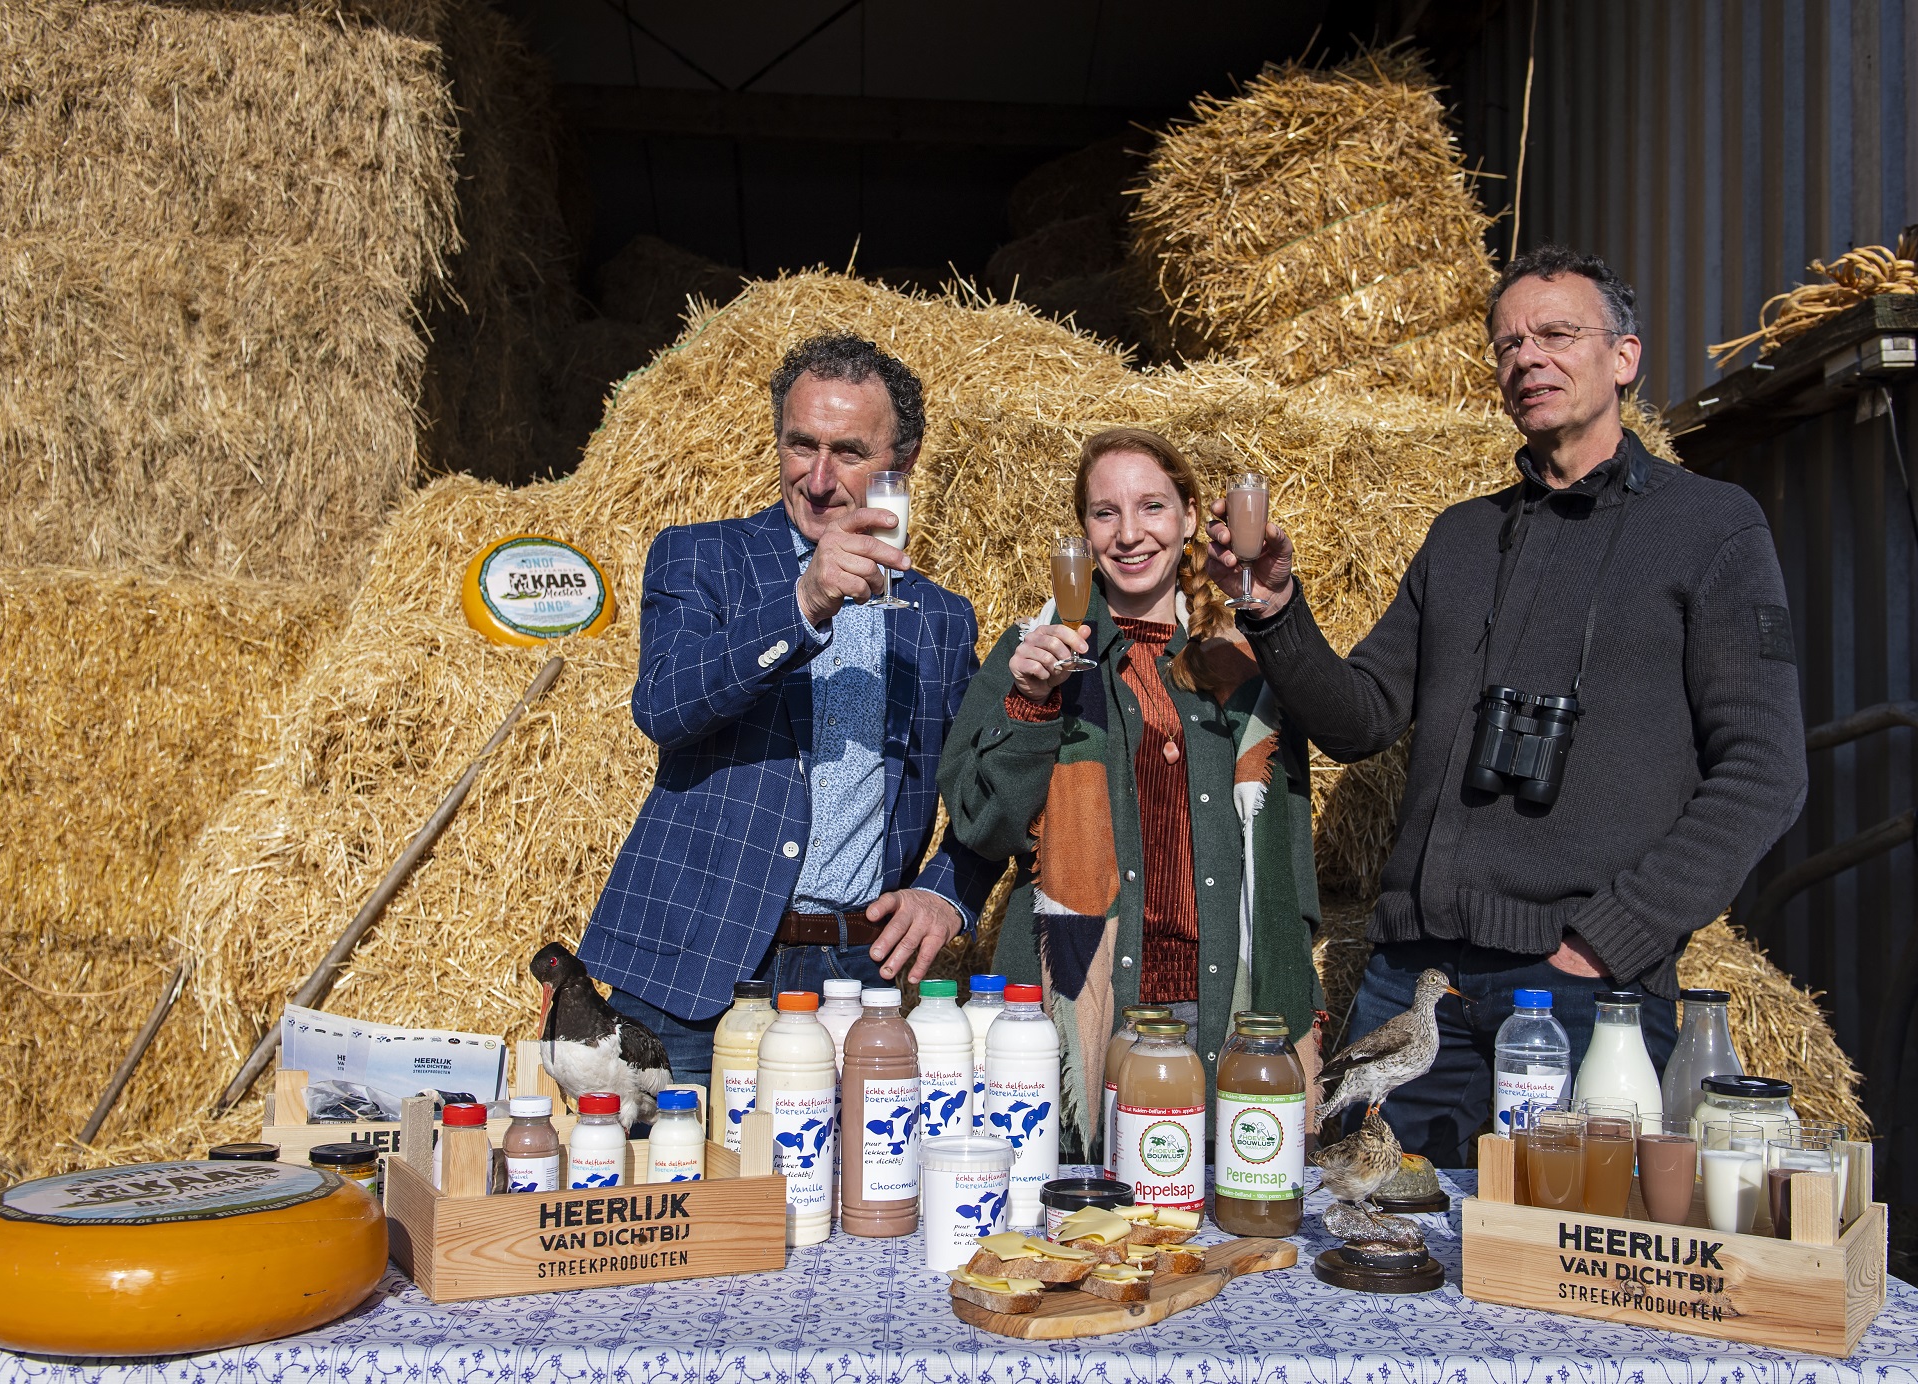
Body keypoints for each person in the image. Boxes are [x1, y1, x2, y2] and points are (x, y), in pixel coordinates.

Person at [1207, 246, 1808, 1164]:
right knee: (1371, 1241)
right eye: (1507, 344)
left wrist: (1611, 940)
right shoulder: (1462, 537)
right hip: (1417, 987)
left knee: (1556, 1266)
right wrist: (1276, 611)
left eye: (1557, 334)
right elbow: (1359, 716)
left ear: (1624, 357)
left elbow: (1765, 770)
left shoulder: (1712, 529)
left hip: (1576, 987)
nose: (1527, 358)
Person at [580, 331, 1003, 1084]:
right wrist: (804, 602)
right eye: (799, 444)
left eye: (847, 451)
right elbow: (665, 706)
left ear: (899, 466)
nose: (817, 477)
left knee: (847, 1199)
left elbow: (988, 785)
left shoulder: (938, 619)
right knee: (678, 1191)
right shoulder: (704, 559)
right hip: (691, 975)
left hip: (854, 980)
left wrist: (948, 894)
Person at [940, 427, 1324, 1167]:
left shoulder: (1249, 658)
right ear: (1082, 533)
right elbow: (982, 822)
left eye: (1151, 506)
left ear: (1187, 517)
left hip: (1233, 1004)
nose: (1128, 533)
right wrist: (1030, 705)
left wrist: (1297, 979)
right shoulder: (1034, 651)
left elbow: (1290, 844)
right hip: (1088, 1001)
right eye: (1103, 513)